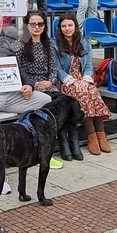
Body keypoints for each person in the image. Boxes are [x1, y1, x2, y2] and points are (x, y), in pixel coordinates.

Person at [15, 11, 80, 161]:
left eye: (40, 24)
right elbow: (19, 69)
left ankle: (71, 138)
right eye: (33, 24)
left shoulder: (48, 43)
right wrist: (33, 84)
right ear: (27, 25)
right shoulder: (20, 44)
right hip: (31, 86)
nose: (37, 27)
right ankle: (62, 141)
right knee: (52, 106)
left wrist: (50, 81)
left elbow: (53, 67)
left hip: (48, 85)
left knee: (67, 103)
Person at [55, 13, 113, 155]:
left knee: (93, 92)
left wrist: (85, 80)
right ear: (60, 28)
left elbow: (88, 66)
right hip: (66, 82)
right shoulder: (54, 44)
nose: (67, 29)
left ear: (75, 26)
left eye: (70, 25)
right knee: (83, 96)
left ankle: (101, 136)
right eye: (64, 26)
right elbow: (57, 69)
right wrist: (73, 82)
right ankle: (92, 137)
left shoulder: (84, 41)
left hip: (83, 80)